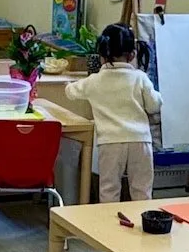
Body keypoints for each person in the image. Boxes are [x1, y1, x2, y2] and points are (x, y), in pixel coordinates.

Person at [68, 23, 160, 201]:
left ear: (101, 55)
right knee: (142, 190)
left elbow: (70, 92)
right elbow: (154, 105)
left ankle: (108, 218)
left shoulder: (94, 81)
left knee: (109, 190)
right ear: (132, 55)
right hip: (140, 140)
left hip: (110, 142)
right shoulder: (140, 78)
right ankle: (143, 217)